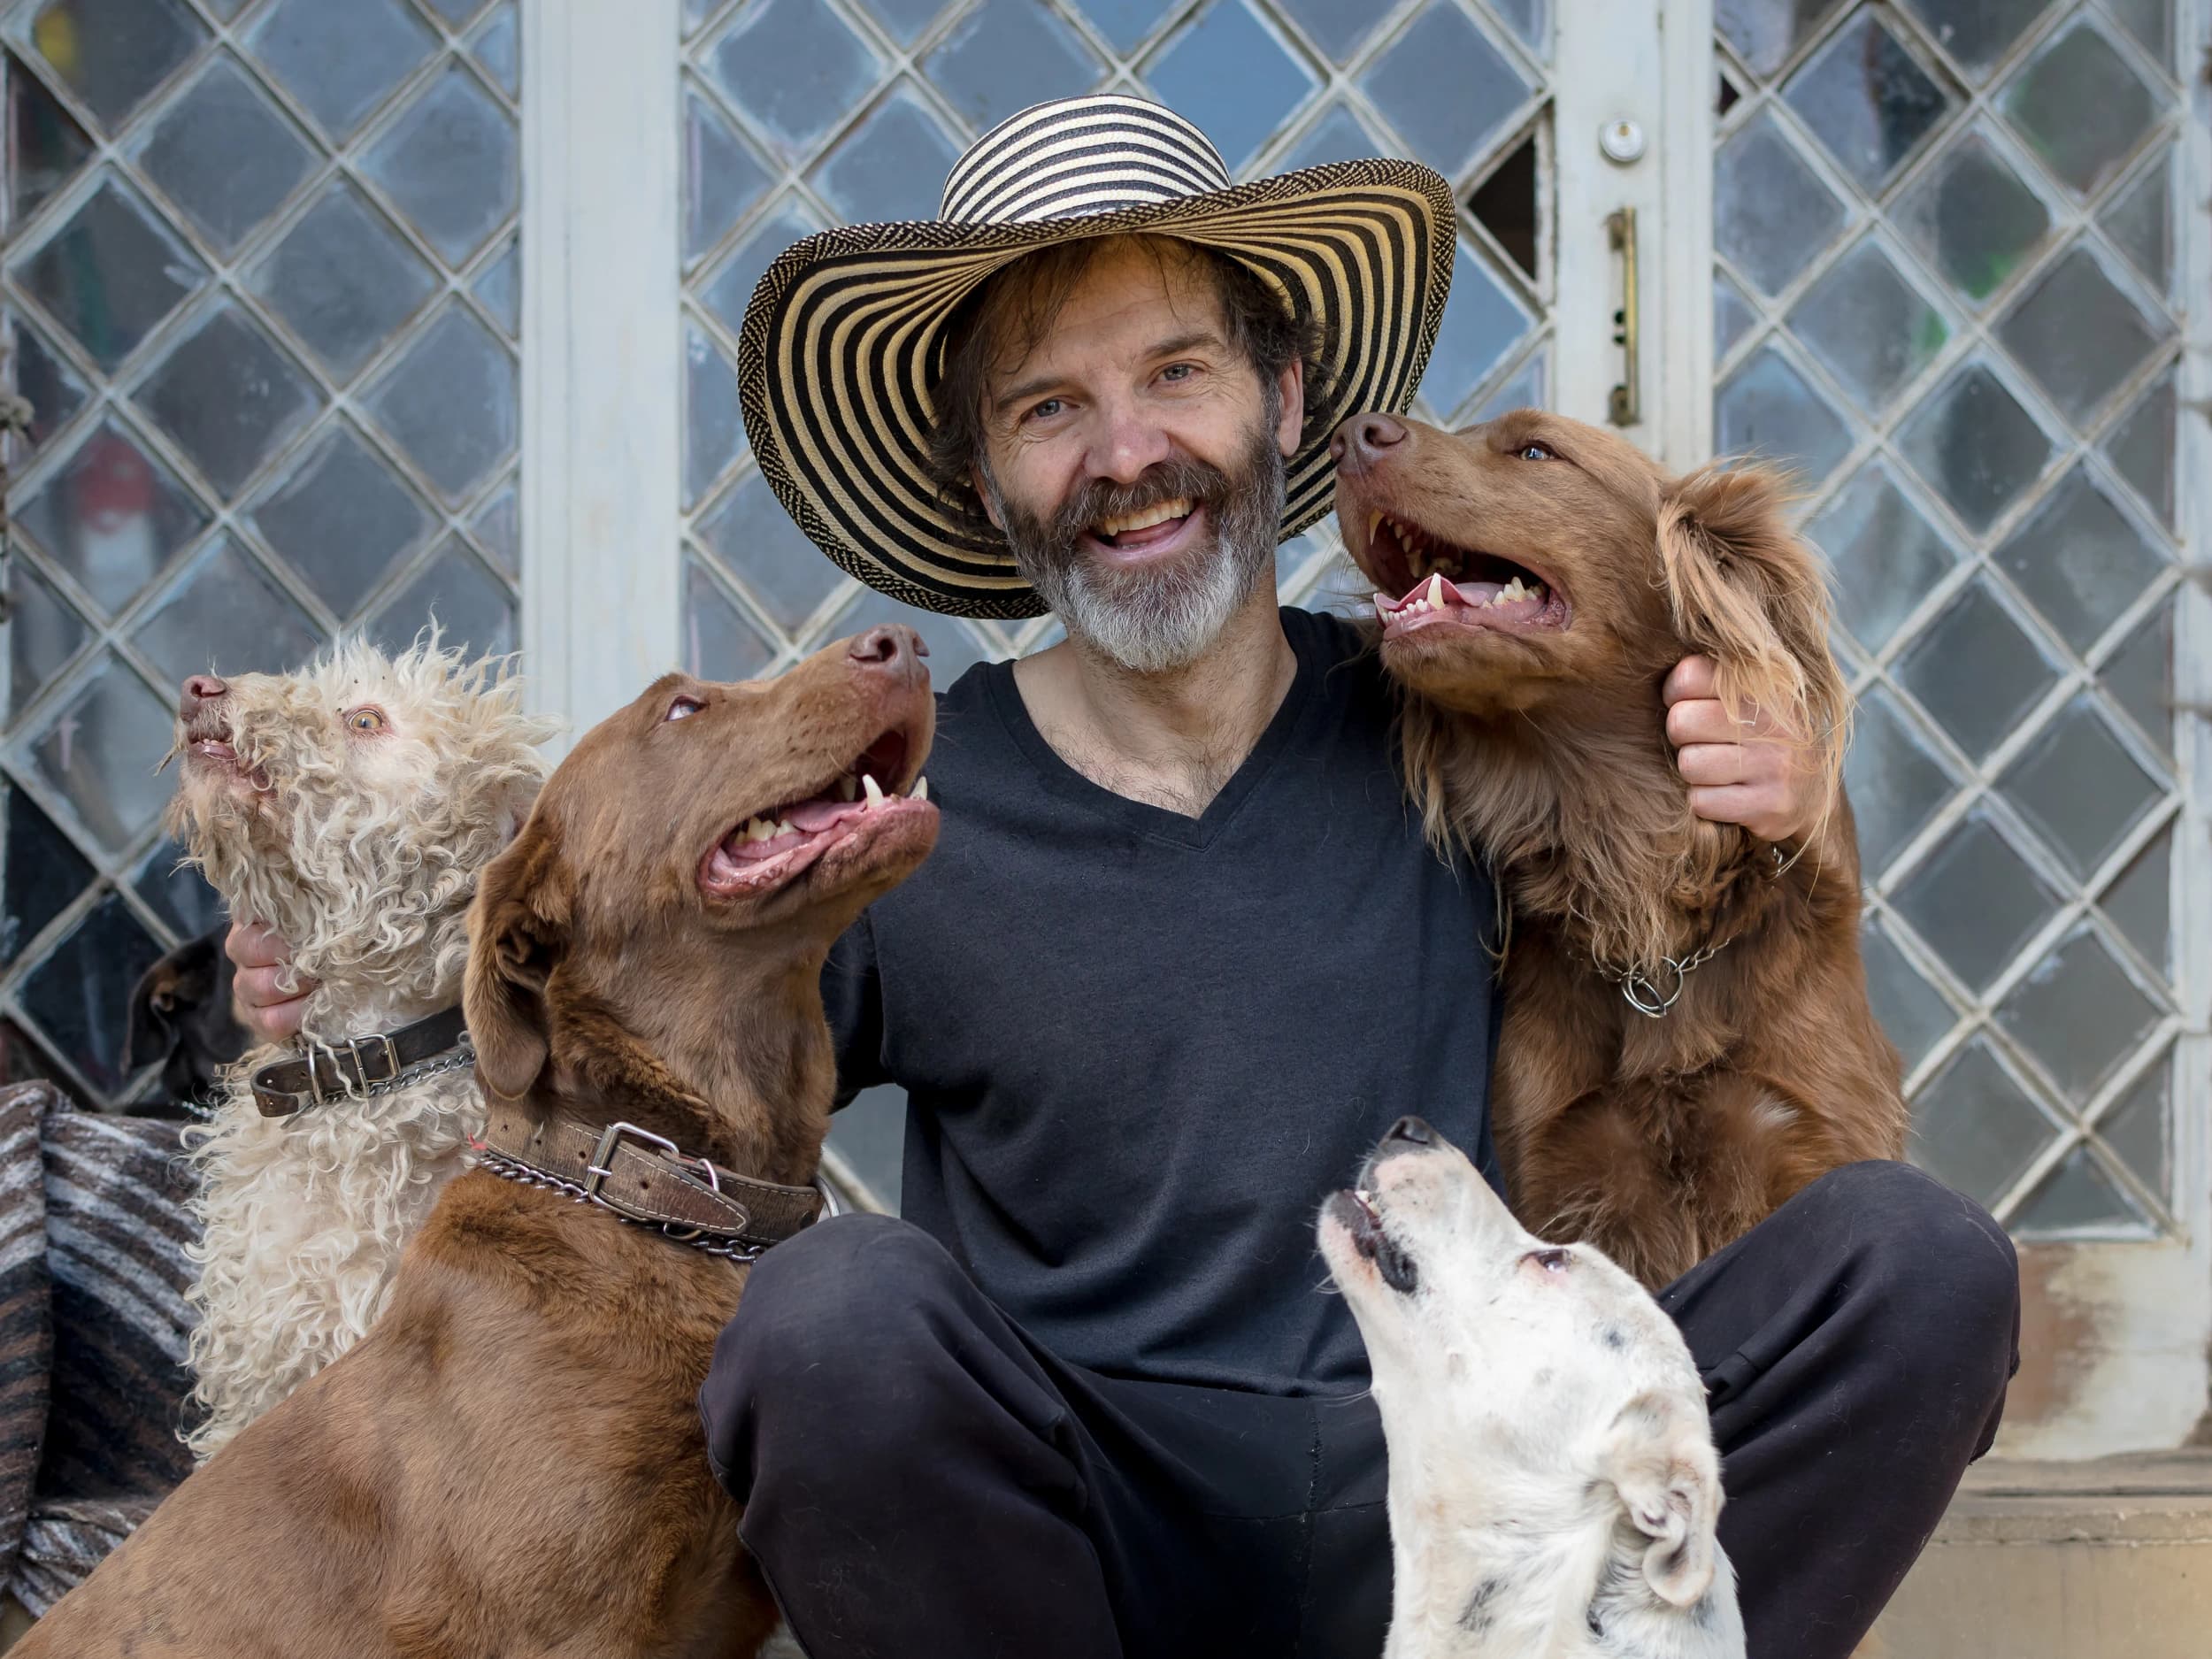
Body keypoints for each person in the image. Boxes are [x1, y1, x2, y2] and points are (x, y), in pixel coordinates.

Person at [230, 97, 2019, 1659]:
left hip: (1480, 1507)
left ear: (1281, 395)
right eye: (1049, 407)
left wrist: (1790, 789)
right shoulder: (895, 809)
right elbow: (629, 1005)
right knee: (832, 1318)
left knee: (1920, 1265)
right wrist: (353, 982)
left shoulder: (1433, 715)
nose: (1125, 452)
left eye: (1176, 372)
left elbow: (1683, 817)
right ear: (985, 474)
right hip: (1075, 1546)